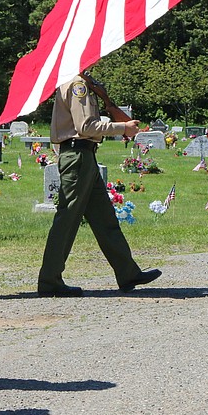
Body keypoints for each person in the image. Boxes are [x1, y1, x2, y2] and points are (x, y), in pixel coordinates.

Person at [36, 72, 161, 297]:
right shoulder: (77, 84)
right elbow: (85, 126)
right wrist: (122, 128)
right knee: (67, 219)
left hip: (85, 156)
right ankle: (49, 280)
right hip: (78, 155)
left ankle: (127, 272)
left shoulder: (85, 83)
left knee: (105, 219)